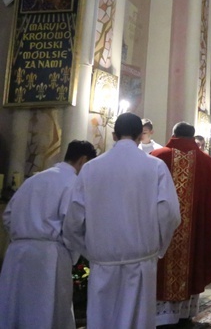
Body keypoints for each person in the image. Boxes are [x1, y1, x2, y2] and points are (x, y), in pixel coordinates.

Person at [63, 113, 181, 328]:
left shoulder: (90, 168)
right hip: (141, 260)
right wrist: (158, 247)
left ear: (114, 135)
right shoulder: (154, 166)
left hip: (103, 261)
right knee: (138, 320)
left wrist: (89, 251)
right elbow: (170, 213)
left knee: (103, 318)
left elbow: (73, 219)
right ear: (140, 136)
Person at [0, 140, 97, 329]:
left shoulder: (33, 180)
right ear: (83, 160)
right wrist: (77, 251)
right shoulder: (72, 183)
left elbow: (8, 217)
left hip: (17, 253)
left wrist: (23, 236)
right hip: (48, 256)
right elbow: (71, 224)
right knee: (45, 311)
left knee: (15, 308)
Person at [151, 122, 211, 326]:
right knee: (190, 265)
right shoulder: (207, 162)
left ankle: (161, 315)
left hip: (162, 233)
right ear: (193, 137)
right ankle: (184, 313)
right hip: (192, 237)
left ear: (173, 134)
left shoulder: (157, 157)